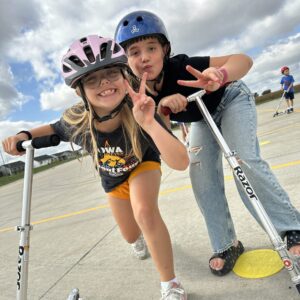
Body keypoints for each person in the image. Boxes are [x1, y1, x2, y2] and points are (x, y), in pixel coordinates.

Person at [2, 35, 189, 300]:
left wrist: (149, 122)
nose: (104, 83)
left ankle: (170, 285)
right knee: (130, 235)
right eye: (91, 79)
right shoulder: (76, 120)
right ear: (79, 91)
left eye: (112, 73)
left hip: (141, 166)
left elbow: (181, 163)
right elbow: (52, 130)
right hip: (112, 181)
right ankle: (140, 239)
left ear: (125, 76)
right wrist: (22, 134)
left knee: (145, 212)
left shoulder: (141, 108)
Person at [114, 10, 300, 277]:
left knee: (242, 160)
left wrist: (220, 76)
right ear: (126, 59)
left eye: (151, 48)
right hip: (202, 119)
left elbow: (243, 60)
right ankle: (227, 245)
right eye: (134, 52)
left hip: (231, 99)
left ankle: (292, 228)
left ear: (164, 49)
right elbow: (167, 141)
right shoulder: (139, 93)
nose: (143, 57)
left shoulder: (181, 65)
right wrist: (162, 111)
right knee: (200, 176)